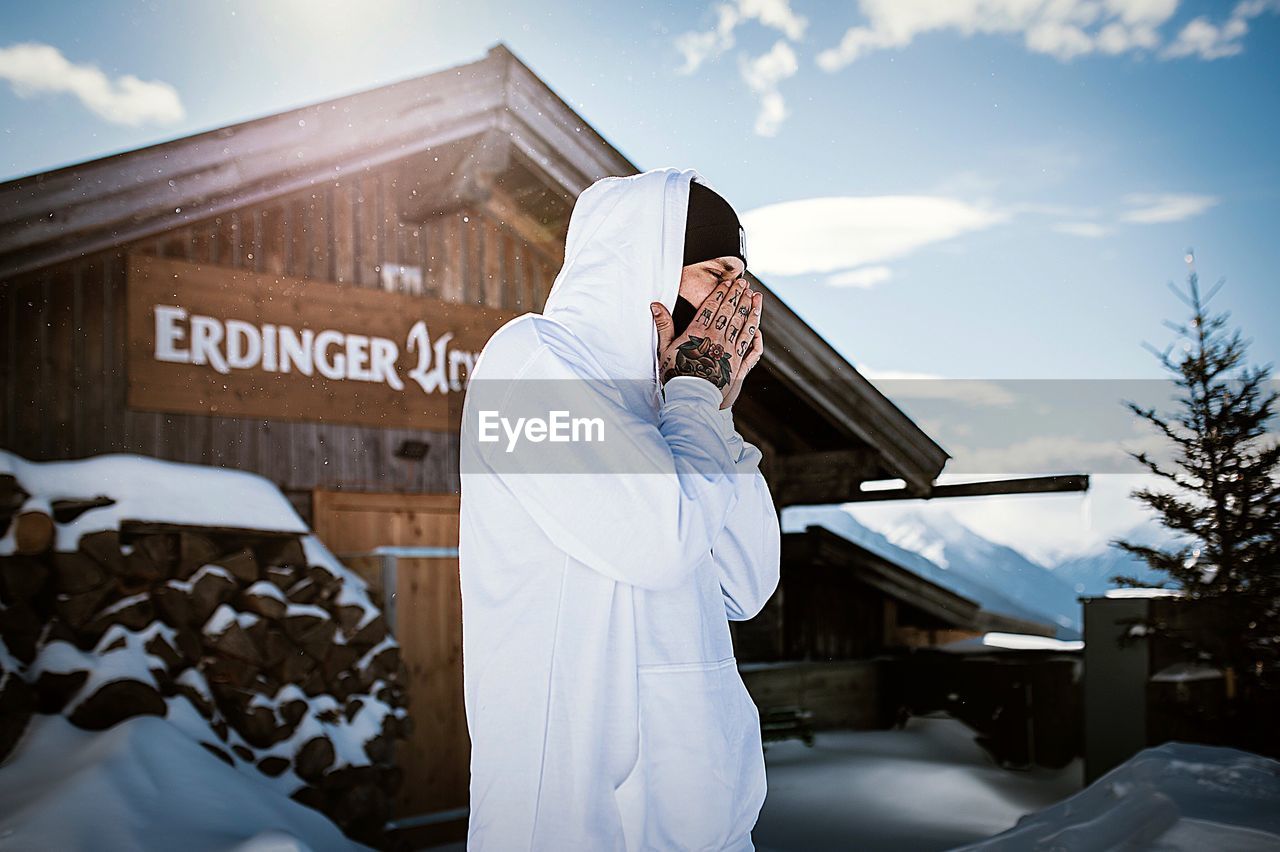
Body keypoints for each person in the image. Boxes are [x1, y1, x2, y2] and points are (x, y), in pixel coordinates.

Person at [458, 166, 781, 851]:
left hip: (706, 827)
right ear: (649, 263)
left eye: (741, 278)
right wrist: (696, 396)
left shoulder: (672, 409)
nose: (735, 298)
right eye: (715, 271)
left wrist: (715, 411)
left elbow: (745, 581)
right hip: (577, 826)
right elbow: (657, 542)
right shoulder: (528, 364)